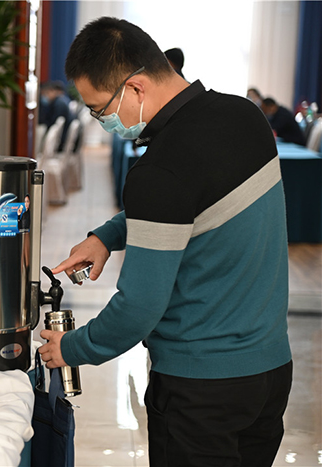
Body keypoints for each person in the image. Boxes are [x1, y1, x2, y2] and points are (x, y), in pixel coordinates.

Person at [38, 17, 292, 467]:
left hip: (200, 389)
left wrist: (70, 348)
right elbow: (196, 205)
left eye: (99, 110)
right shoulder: (245, 116)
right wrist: (107, 236)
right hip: (270, 373)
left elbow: (138, 308)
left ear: (135, 88)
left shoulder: (159, 170)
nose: (102, 122)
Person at [39, 80, 76, 151]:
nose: (45, 96)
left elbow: (53, 123)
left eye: (46, 93)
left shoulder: (58, 104)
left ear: (52, 91)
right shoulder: (60, 101)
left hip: (61, 142)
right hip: (64, 139)